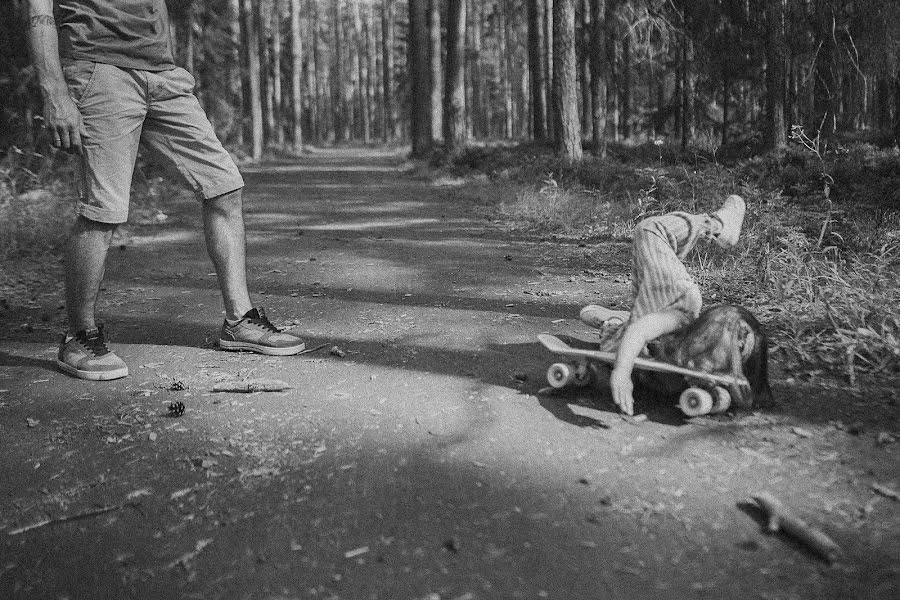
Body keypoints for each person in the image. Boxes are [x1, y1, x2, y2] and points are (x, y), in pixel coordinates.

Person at [26, 0, 306, 381]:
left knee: (223, 185)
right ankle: (78, 335)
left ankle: (239, 321)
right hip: (99, 69)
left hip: (163, 74)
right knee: (103, 209)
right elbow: (37, 9)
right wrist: (54, 90)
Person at [580, 195, 772, 415]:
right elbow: (639, 331)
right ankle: (717, 224)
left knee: (600, 323)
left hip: (632, 328)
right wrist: (622, 371)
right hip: (669, 301)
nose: (701, 364)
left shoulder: (717, 367)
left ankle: (615, 319)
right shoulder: (681, 319)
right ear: (700, 332)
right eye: (703, 349)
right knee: (649, 230)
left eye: (712, 362)